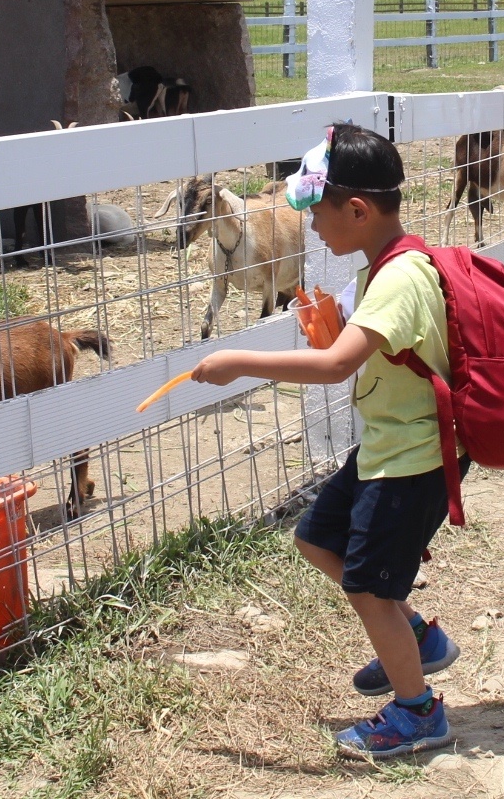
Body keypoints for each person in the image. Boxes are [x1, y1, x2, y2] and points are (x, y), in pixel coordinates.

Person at [188, 123, 461, 759]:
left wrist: (241, 359)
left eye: (317, 213)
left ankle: (419, 712)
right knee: (316, 538)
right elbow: (361, 353)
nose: (311, 228)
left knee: (368, 588)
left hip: (411, 460)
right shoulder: (382, 269)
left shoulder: (397, 280)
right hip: (385, 450)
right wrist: (337, 334)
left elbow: (339, 367)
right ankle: (415, 639)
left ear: (357, 210)